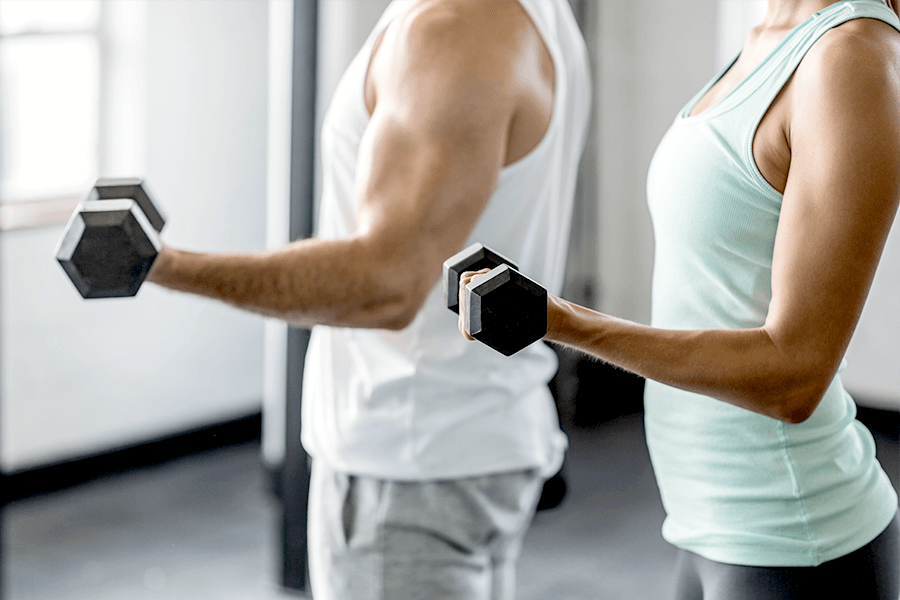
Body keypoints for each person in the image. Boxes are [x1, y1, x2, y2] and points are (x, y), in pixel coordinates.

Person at [147, 0, 591, 598]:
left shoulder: (453, 29)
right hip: (477, 439)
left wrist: (164, 267)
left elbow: (387, 283)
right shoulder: (529, 14)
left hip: (408, 462)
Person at [461, 0, 900, 598]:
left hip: (791, 539)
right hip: (704, 527)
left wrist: (560, 321)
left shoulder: (850, 56)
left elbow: (795, 376)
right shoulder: (767, 33)